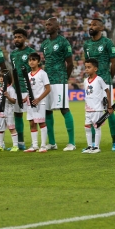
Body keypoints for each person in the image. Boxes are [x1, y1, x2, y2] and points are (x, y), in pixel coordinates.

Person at [83, 18, 115, 151]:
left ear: (101, 28)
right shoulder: (86, 45)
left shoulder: (107, 42)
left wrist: (109, 77)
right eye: (90, 25)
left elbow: (113, 61)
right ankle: (93, 144)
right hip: (92, 83)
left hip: (104, 80)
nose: (91, 27)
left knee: (109, 110)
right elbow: (87, 63)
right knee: (92, 111)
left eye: (94, 25)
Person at [40, 18, 76, 151]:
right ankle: (52, 143)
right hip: (48, 81)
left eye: (49, 24)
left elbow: (70, 63)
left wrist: (64, 77)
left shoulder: (63, 42)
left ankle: (72, 142)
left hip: (59, 80)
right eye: (46, 24)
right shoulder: (44, 44)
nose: (47, 26)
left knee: (64, 109)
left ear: (57, 26)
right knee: (48, 111)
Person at [10, 28, 35, 150]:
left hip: (28, 88)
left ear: (25, 38)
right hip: (16, 89)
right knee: (18, 115)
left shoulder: (31, 52)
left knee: (32, 117)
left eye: (19, 37)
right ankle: (20, 143)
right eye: (15, 37)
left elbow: (34, 71)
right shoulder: (12, 54)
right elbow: (14, 72)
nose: (17, 39)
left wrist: (33, 89)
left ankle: (34, 143)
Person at [82, 58, 112, 154]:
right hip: (88, 108)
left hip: (97, 108)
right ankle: (90, 146)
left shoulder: (99, 80)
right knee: (87, 127)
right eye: (86, 67)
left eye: (89, 67)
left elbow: (107, 91)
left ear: (95, 69)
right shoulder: (85, 81)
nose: (87, 69)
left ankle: (97, 147)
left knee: (96, 127)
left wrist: (109, 105)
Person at [23, 53, 51, 153]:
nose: (31, 62)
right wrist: (26, 98)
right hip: (30, 103)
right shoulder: (27, 75)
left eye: (34, 60)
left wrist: (39, 99)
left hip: (40, 102)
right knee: (32, 123)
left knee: (41, 123)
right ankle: (34, 145)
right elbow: (30, 90)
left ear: (38, 61)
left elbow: (48, 89)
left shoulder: (42, 73)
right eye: (30, 60)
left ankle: (43, 146)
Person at [0, 69, 19, 152]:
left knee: (11, 128)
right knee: (0, 129)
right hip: (0, 112)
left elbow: (14, 101)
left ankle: (15, 146)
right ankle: (0, 145)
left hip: (8, 112)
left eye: (2, 77)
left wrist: (8, 96)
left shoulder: (10, 89)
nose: (1, 78)